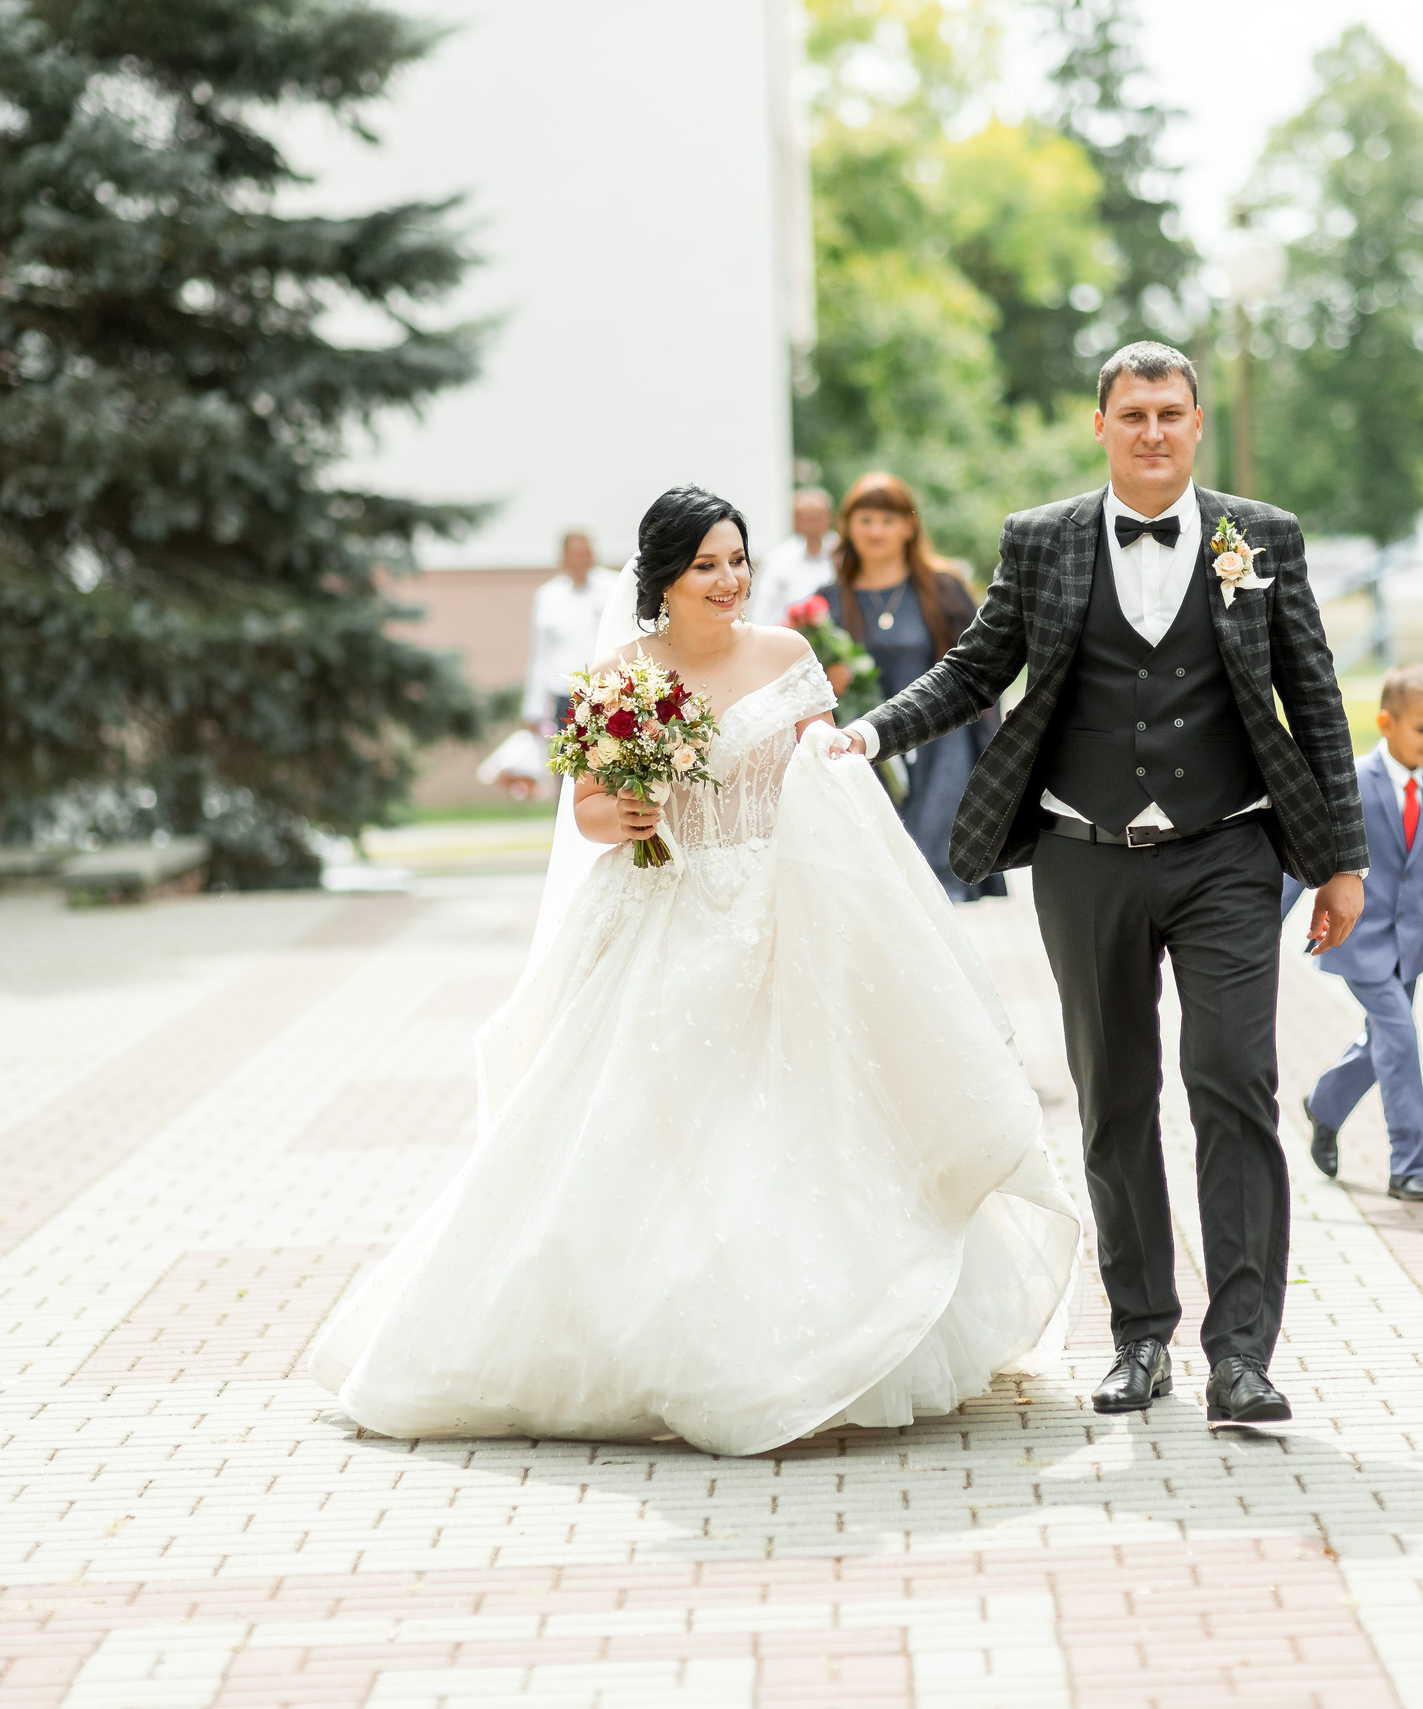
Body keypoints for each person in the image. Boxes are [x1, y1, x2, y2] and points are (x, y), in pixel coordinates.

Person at [311, 486, 1077, 1457]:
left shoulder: (789, 658)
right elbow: (586, 804)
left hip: (781, 908)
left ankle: (833, 1339)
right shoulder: (620, 674)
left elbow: (829, 783)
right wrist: (621, 815)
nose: (729, 579)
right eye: (706, 564)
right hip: (663, 911)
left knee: (804, 1119)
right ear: (663, 577)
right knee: (651, 1122)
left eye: (736, 559)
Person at [834, 341, 1370, 1430]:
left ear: (1197, 421)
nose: (1153, 431)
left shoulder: (1258, 537)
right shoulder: (1043, 541)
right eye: (1133, 414)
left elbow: (1312, 694)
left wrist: (1342, 859)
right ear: (1101, 425)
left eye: (1171, 411)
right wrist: (871, 730)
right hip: (1081, 856)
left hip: (1228, 849)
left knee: (1233, 1079)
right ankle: (1137, 1336)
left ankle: (1242, 1354)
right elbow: (977, 665)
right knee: (1114, 1096)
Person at [1280, 665, 1423, 1203]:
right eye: (1422, 730)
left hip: (1408, 950)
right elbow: (1306, 857)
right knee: (1400, 1041)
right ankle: (1410, 1168)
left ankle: (1324, 1105)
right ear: (1386, 724)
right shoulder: (1349, 783)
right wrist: (1257, 931)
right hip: (1356, 942)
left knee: (1382, 1045)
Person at [832, 473, 998, 903]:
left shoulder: (944, 591)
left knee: (934, 872)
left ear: (909, 526)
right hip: (865, 755)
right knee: (877, 884)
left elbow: (980, 675)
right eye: (865, 519)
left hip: (942, 749)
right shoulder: (828, 601)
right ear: (848, 526)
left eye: (887, 520)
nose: (876, 531)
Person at [521, 528, 614, 734]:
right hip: (566, 698)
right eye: (576, 554)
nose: (582, 560)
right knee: (569, 763)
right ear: (563, 558)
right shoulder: (548, 596)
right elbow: (541, 655)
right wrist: (533, 709)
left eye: (586, 553)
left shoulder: (613, 588)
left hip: (607, 694)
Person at [746, 486, 839, 626]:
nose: (812, 523)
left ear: (829, 517)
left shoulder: (842, 554)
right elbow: (762, 608)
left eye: (817, 516)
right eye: (805, 517)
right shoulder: (777, 559)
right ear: (796, 519)